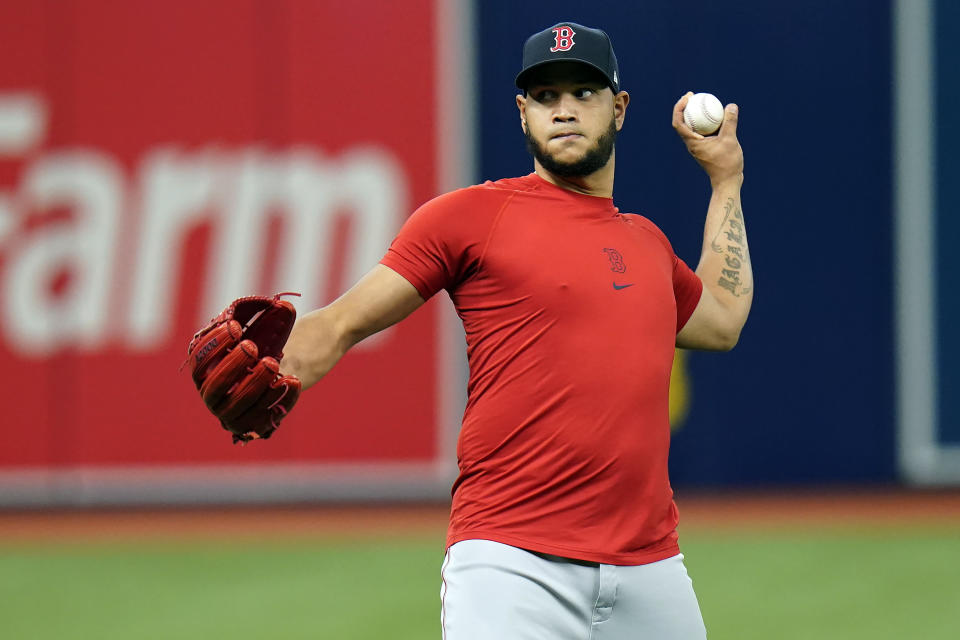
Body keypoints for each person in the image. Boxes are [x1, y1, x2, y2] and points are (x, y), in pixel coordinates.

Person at [279, 21, 750, 640]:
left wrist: (726, 179)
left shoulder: (646, 242)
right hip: (511, 563)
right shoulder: (470, 218)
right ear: (522, 112)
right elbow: (340, 322)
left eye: (583, 93)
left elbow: (721, 321)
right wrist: (281, 370)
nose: (565, 110)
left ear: (620, 107)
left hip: (650, 567)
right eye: (547, 96)